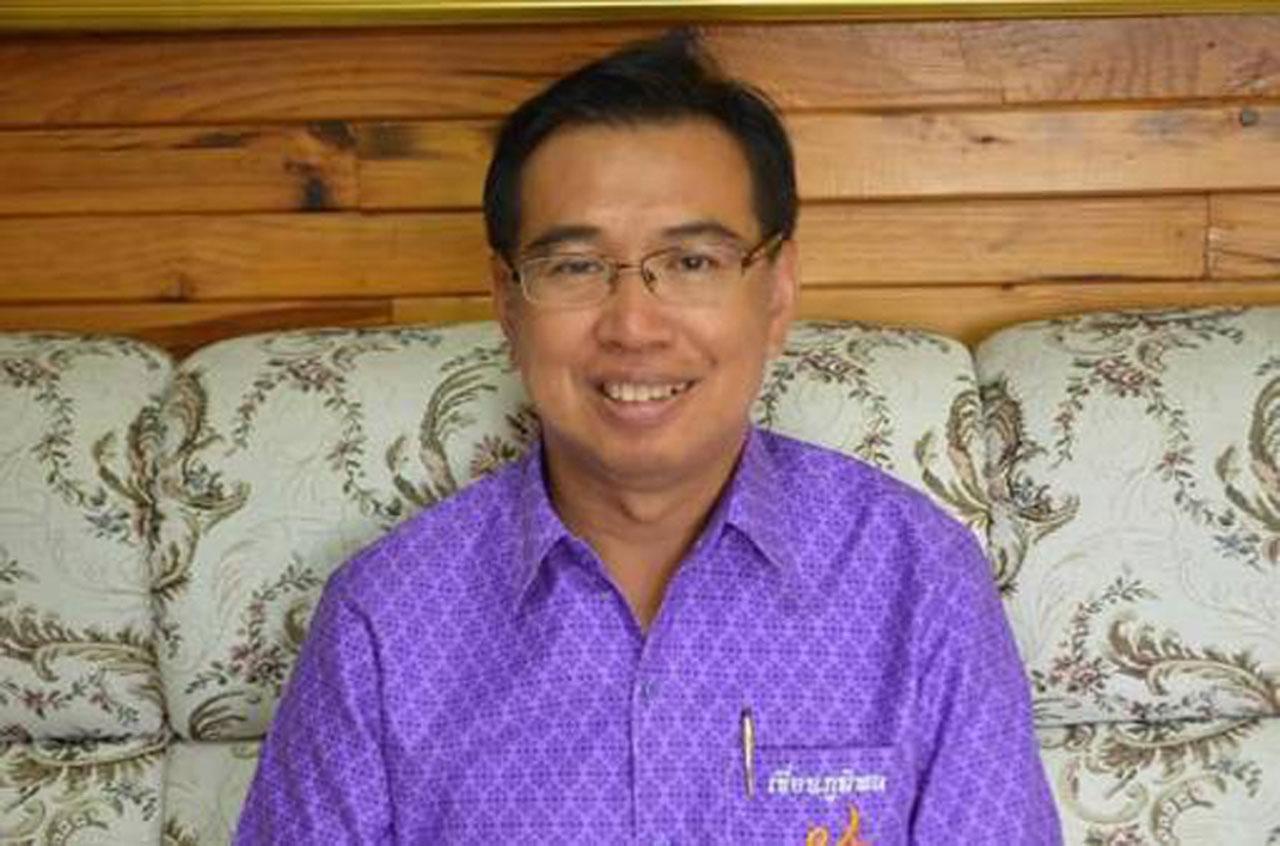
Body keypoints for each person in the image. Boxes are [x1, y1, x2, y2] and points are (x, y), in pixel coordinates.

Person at [234, 30, 1061, 845]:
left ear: (777, 293)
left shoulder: (918, 580)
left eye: (692, 262)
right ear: (508, 304)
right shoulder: (383, 622)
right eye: (574, 267)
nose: (633, 325)